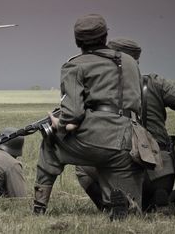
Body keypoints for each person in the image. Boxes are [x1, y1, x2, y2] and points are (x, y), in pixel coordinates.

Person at [33, 14, 145, 220]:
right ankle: (122, 204)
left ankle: (39, 205)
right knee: (132, 209)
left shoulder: (73, 65)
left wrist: (60, 124)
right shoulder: (129, 62)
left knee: (50, 143)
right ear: (105, 36)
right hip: (130, 141)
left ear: (77, 41)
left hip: (93, 140)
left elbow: (73, 114)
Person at [76, 38, 175, 212]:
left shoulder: (96, 88)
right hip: (160, 172)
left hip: (118, 174)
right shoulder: (154, 84)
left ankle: (109, 204)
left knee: (82, 167)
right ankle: (158, 197)